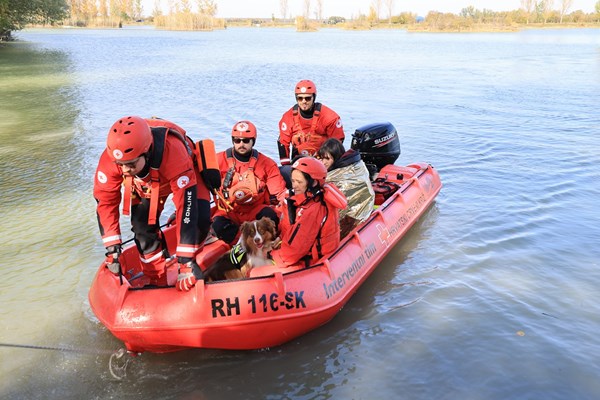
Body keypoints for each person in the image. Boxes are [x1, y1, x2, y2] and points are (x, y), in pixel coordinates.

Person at [93, 116, 214, 291]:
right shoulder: (111, 159)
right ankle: (156, 279)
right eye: (121, 165)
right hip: (146, 183)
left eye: (131, 164)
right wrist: (112, 249)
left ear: (146, 151)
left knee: (200, 221)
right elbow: (105, 201)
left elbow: (186, 208)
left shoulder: (174, 152)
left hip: (183, 174)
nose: (125, 170)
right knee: (142, 231)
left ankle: (194, 257)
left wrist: (185, 262)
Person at [211, 120, 287, 244]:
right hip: (228, 212)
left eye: (246, 141)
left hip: (255, 211)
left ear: (253, 141)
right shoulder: (217, 161)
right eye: (237, 140)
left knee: (271, 217)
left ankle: (262, 244)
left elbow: (280, 193)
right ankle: (241, 245)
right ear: (233, 141)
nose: (241, 144)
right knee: (217, 226)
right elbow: (200, 187)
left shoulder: (267, 164)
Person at [273, 157, 347, 267]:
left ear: (313, 183)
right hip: (289, 247)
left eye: (299, 182)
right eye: (293, 181)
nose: (294, 186)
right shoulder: (301, 198)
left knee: (256, 270)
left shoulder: (314, 209)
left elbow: (295, 251)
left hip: (310, 260)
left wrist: (270, 255)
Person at [277, 80, 345, 185]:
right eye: (300, 98)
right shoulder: (288, 117)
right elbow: (283, 143)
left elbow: (337, 144)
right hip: (299, 163)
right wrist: (287, 168)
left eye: (307, 98)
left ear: (314, 97)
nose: (304, 101)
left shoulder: (330, 117)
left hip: (323, 163)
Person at [317, 138, 375, 238]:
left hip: (355, 217)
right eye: (321, 159)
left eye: (327, 159)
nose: (323, 162)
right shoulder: (350, 166)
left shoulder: (341, 177)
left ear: (336, 157)